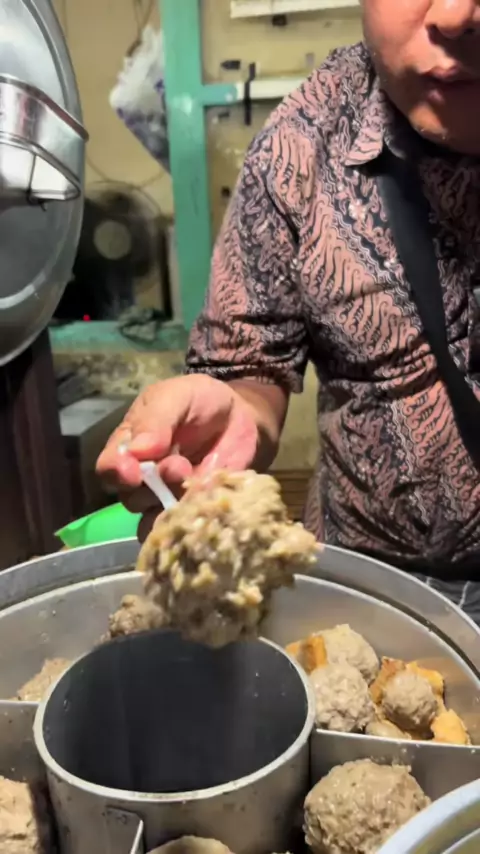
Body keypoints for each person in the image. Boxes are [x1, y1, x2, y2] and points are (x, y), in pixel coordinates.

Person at [97, 0, 480, 625]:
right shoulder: (301, 143)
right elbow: (249, 368)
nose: (458, 15)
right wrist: (230, 416)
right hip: (367, 589)